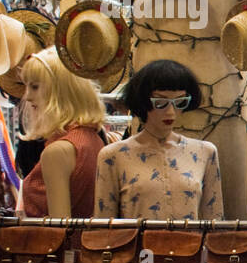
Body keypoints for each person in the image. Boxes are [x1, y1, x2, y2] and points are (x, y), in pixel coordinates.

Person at [94, 59, 223, 220]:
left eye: (179, 102)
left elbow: (215, 221)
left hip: (190, 244)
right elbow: (104, 225)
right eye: (160, 103)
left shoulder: (205, 152)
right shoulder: (113, 156)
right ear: (143, 101)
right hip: (137, 244)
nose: (171, 112)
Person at [18, 47, 106, 219]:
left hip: (55, 244)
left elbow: (59, 230)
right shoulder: (93, 139)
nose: (27, 97)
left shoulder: (58, 151)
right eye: (26, 86)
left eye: (35, 87)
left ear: (60, 91)